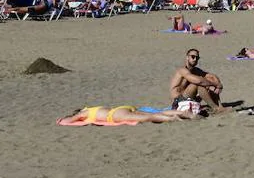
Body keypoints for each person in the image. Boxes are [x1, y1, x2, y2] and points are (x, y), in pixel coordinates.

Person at [169, 49, 226, 113]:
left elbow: (212, 76)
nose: (195, 59)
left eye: (197, 58)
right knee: (198, 84)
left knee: (208, 81)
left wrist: (218, 85)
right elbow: (199, 81)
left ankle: (219, 106)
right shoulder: (182, 70)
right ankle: (216, 108)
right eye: (193, 57)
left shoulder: (196, 70)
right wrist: (215, 84)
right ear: (187, 57)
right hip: (178, 102)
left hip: (189, 98)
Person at [58, 105, 198, 126]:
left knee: (148, 117)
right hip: (122, 107)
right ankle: (185, 113)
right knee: (156, 112)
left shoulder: (85, 113)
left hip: (115, 115)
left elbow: (69, 120)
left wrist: (61, 120)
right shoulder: (95, 107)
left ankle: (173, 118)